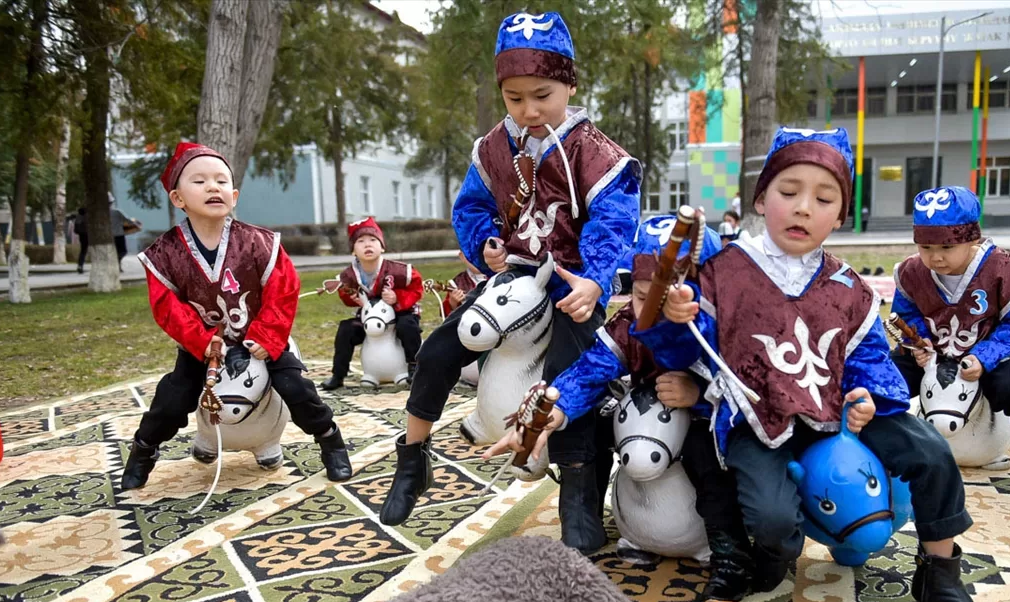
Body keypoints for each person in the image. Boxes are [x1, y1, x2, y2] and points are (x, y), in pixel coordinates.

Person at [636, 128, 989, 602]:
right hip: (759, 422)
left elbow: (869, 359)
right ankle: (773, 553)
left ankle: (940, 573)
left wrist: (868, 396)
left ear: (840, 214)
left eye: (823, 198)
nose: (804, 208)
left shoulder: (849, 285)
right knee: (776, 521)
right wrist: (673, 317)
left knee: (930, 451)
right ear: (761, 199)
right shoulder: (724, 273)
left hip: (836, 412)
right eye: (788, 192)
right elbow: (680, 353)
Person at [377, 11, 641, 554]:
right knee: (440, 348)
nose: (529, 110)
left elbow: (614, 221)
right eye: (515, 97)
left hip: (571, 285)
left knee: (573, 380)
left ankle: (577, 501)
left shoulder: (600, 155)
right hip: (515, 275)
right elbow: (471, 207)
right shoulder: (491, 148)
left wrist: (592, 281)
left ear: (570, 83)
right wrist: (484, 245)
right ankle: (414, 458)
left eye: (542, 94)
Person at [487, 217, 758, 602]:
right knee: (597, 417)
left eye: (666, 298)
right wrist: (551, 410)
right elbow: (590, 370)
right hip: (648, 417)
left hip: (705, 418)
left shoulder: (726, 325)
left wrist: (699, 392)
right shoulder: (627, 326)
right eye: (643, 295)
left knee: (707, 456)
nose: (651, 309)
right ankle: (595, 512)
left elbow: (754, 385)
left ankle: (730, 552)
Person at [120, 142, 352, 490]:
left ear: (234, 194)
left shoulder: (259, 243)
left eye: (221, 181)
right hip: (205, 346)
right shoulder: (164, 254)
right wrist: (202, 342)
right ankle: (143, 451)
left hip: (258, 340)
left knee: (296, 387)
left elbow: (283, 288)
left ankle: (330, 440)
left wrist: (267, 336)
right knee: (173, 397)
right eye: (199, 181)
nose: (213, 187)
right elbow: (166, 307)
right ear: (177, 198)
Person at [891, 185, 1010, 494]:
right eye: (926, 248)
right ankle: (877, 449)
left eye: (946, 248)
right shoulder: (911, 271)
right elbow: (906, 314)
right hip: (933, 351)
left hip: (987, 352)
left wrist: (985, 356)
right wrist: (917, 344)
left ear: (972, 239)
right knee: (883, 379)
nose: (936, 257)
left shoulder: (1005, 271)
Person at [320, 217, 424, 390]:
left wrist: (397, 297)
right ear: (353, 250)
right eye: (360, 241)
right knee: (346, 329)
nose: (367, 245)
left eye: (373, 240)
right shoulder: (349, 275)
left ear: (382, 246)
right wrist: (351, 298)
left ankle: (414, 366)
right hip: (369, 318)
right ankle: (338, 374)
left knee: (408, 326)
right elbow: (344, 294)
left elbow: (417, 288)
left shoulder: (398, 270)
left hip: (400, 313)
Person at [109, 193, 142, 268]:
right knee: (123, 251)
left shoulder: (102, 214)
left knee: (113, 252)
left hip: (109, 236)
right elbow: (127, 220)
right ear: (112, 202)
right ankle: (118, 262)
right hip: (119, 235)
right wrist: (136, 223)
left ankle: (117, 264)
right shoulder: (117, 212)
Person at [74, 207, 88, 273]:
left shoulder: (78, 217)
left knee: (83, 251)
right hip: (88, 234)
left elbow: (76, 229)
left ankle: (80, 265)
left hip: (82, 236)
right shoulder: (87, 216)